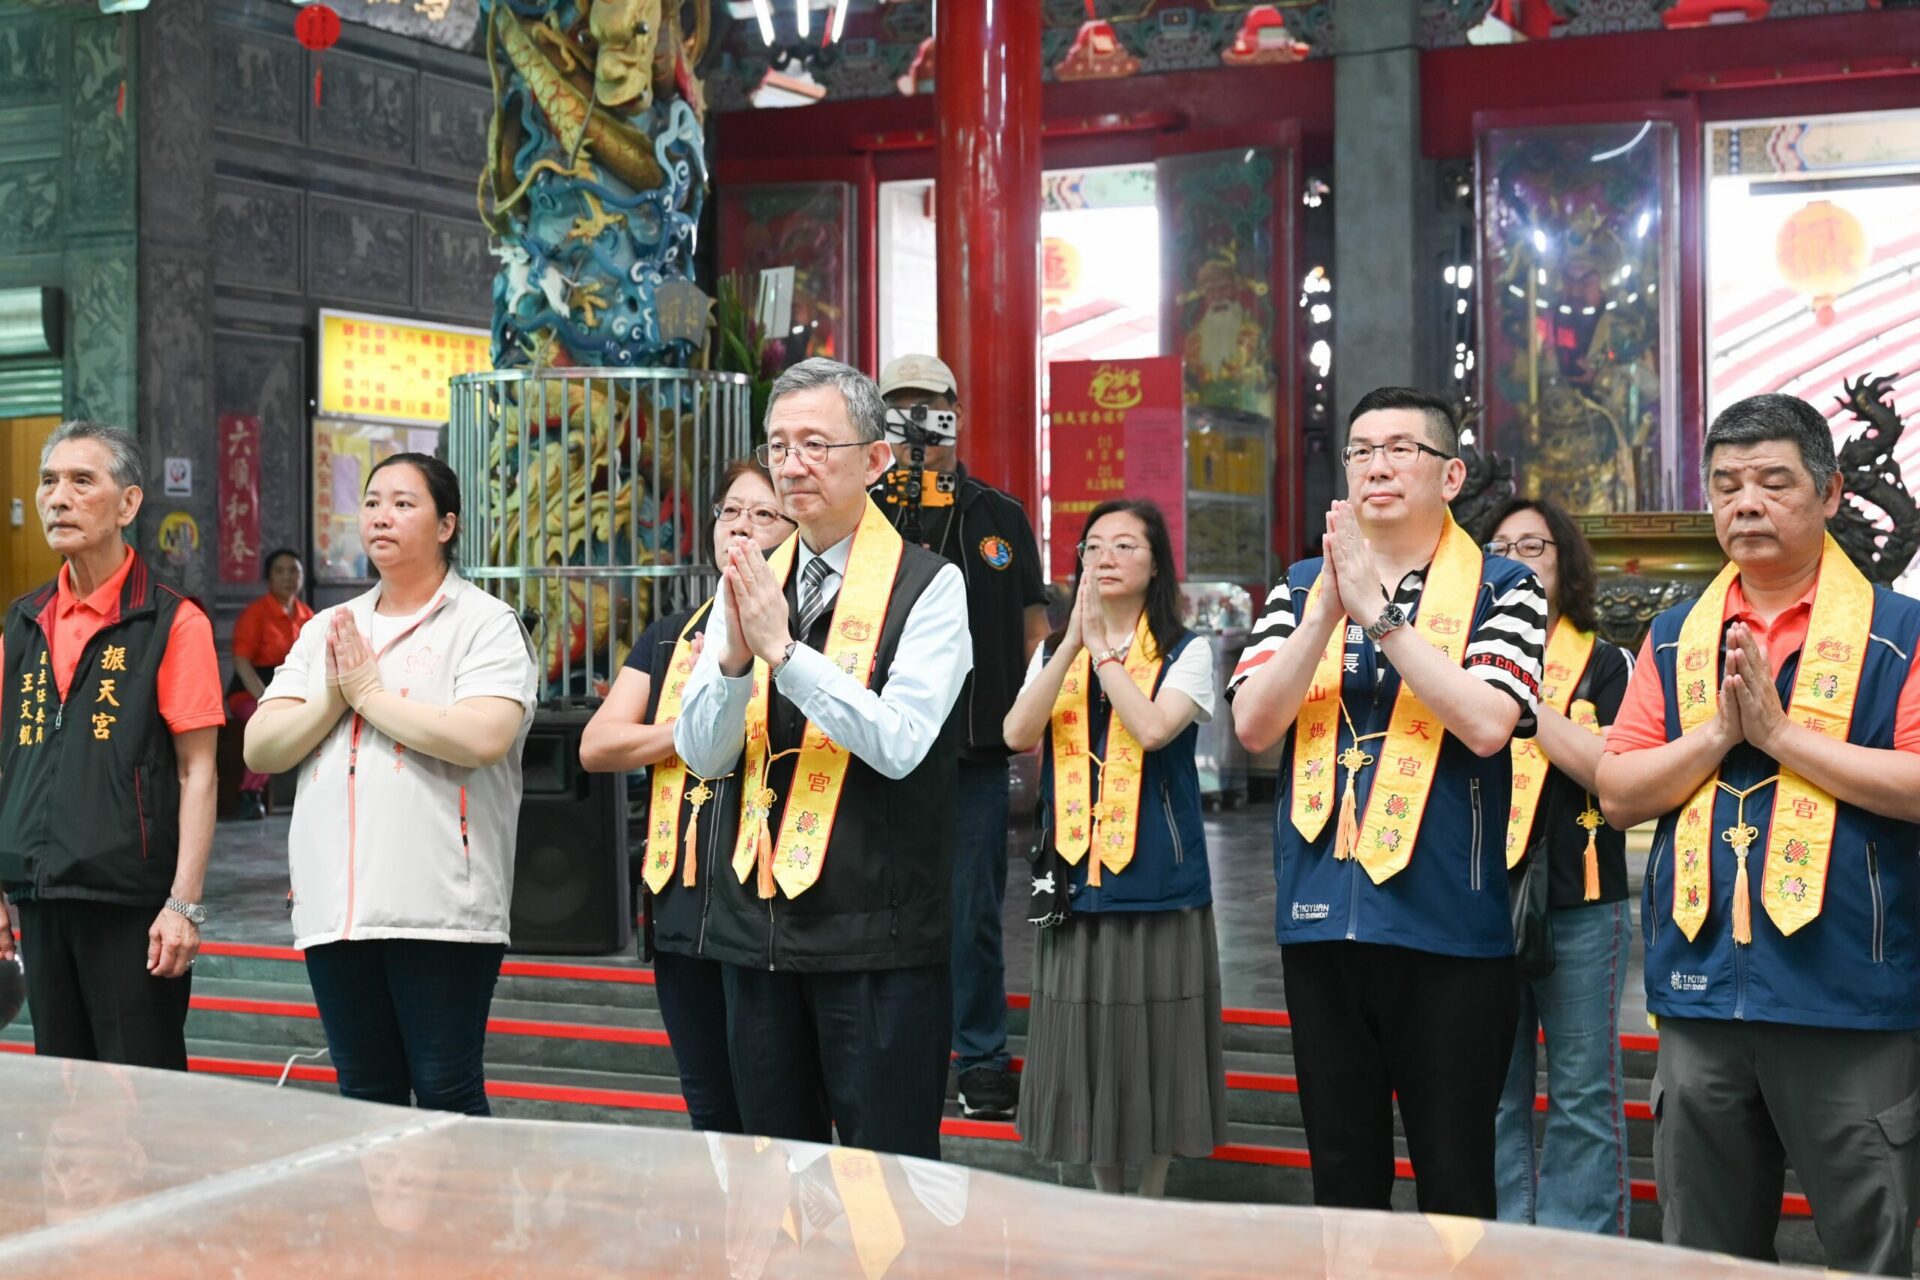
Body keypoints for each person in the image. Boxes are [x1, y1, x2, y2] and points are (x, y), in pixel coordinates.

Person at [1596, 393, 1920, 1275]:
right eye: (1728, 484)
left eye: (1775, 481)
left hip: (1848, 999)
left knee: (1874, 1249)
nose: (1748, 503)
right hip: (1702, 1000)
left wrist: (1782, 740)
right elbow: (1619, 791)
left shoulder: (1899, 633)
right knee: (1705, 1256)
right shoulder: (1674, 639)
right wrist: (1718, 735)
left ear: (1830, 492)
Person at [1228, 387, 1546, 1218]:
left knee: (1455, 1177)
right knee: (1342, 1173)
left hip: (1449, 925)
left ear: (1450, 475)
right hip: (1320, 918)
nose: (1378, 464)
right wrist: (1325, 613)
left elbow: (1486, 722)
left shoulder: (1505, 586)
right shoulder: (1300, 584)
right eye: (1362, 450)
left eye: (1402, 448)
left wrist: (1383, 618)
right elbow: (1254, 725)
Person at [673, 357, 971, 1160]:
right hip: (757, 928)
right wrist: (737, 662)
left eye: (815, 444)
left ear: (875, 460)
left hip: (877, 935)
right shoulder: (751, 578)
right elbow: (702, 755)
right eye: (778, 446)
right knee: (772, 1178)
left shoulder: (929, 586)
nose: (791, 465)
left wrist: (784, 651)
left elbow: (902, 745)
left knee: (886, 1185)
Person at [243, 452, 536, 1115]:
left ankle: (459, 1225)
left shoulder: (484, 623)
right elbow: (262, 743)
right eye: (373, 501)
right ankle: (376, 1225)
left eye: (405, 503)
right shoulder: (328, 627)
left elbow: (482, 736)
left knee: (445, 1091)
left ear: (446, 525)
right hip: (336, 907)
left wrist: (369, 697)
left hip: (440, 906)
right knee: (363, 1095)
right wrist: (334, 700)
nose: (381, 516)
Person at [1002, 498, 1227, 1197]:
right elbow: (1016, 731)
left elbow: (1154, 728)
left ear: (1156, 562)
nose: (1104, 558)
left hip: (1158, 873)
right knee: (1084, 1039)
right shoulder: (1053, 648)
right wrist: (1070, 645)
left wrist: (1103, 654)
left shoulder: (1189, 650)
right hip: (1071, 870)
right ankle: (1106, 1196)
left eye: (1125, 546)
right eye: (1093, 546)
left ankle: (1152, 1195)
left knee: (1158, 1040)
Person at [579, 457, 794, 1133]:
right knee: (707, 1099)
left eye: (764, 514)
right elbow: (597, 744)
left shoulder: (805, 638)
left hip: (766, 900)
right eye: (731, 511)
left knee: (774, 1102)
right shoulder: (671, 634)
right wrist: (694, 727)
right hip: (680, 898)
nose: (742, 527)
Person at [0, 420, 223, 1069]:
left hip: (133, 907)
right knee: (62, 1088)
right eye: (48, 482)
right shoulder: (22, 621)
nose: (57, 498)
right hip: (38, 897)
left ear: (127, 503)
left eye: (81, 481)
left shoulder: (171, 621)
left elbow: (198, 772)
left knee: (141, 1092)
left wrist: (184, 903)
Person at [876, 353, 1050, 1122]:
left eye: (932, 407)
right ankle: (887, 1050)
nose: (918, 425)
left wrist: (1038, 722)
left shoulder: (998, 516)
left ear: (956, 411)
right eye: (901, 410)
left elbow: (1033, 626)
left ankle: (980, 1056)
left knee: (970, 908)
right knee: (877, 900)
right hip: (872, 748)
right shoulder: (864, 514)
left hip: (974, 752)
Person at [1481, 498, 1634, 1234]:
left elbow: (1614, 772)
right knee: (1493, 1091)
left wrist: (1530, 705)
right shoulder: (1459, 661)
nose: (1515, 557)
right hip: (1479, 897)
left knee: (1581, 1092)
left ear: (1564, 564)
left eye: (1533, 546)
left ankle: (1583, 1252)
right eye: (1500, 545)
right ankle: (1503, 1243)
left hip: (1582, 897)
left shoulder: (1607, 661)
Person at [224, 548, 313, 819]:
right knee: (269, 724)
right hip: (249, 693)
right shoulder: (255, 614)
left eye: (294, 571)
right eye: (280, 571)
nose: (288, 577)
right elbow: (241, 663)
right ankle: (248, 794)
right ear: (268, 578)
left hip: (290, 693)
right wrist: (266, 700)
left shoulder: (308, 615)